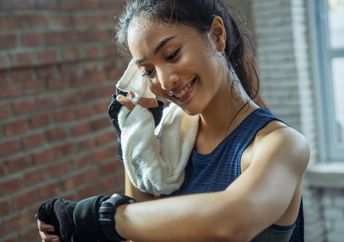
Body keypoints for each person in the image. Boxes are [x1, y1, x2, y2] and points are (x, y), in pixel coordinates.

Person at [37, 0, 310, 241]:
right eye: (148, 71)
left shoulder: (281, 145)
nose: (165, 82)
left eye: (172, 55)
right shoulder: (167, 145)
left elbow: (232, 223)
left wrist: (104, 217)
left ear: (217, 35)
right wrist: (133, 136)